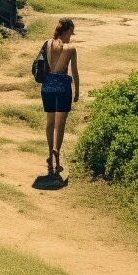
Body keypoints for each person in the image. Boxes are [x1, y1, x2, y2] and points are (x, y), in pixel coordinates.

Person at [40, 18, 80, 177]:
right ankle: (57, 152)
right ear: (68, 30)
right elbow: (75, 72)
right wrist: (77, 91)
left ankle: (50, 155)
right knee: (60, 124)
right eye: (71, 31)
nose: (72, 35)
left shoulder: (47, 43)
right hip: (63, 86)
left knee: (50, 123)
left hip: (48, 84)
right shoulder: (71, 48)